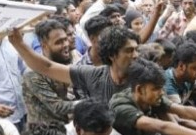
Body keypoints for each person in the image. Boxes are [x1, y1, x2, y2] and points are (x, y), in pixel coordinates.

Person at [9, 25, 139, 104]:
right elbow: (47, 67)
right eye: (129, 51)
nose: (135, 55)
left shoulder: (143, 76)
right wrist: (19, 44)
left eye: (136, 49)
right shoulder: (93, 75)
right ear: (112, 55)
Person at [22, 19, 77, 126]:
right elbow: (56, 106)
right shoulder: (33, 73)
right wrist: (86, 104)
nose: (66, 44)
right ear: (44, 46)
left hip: (63, 127)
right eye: (59, 42)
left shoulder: (63, 63)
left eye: (65, 39)